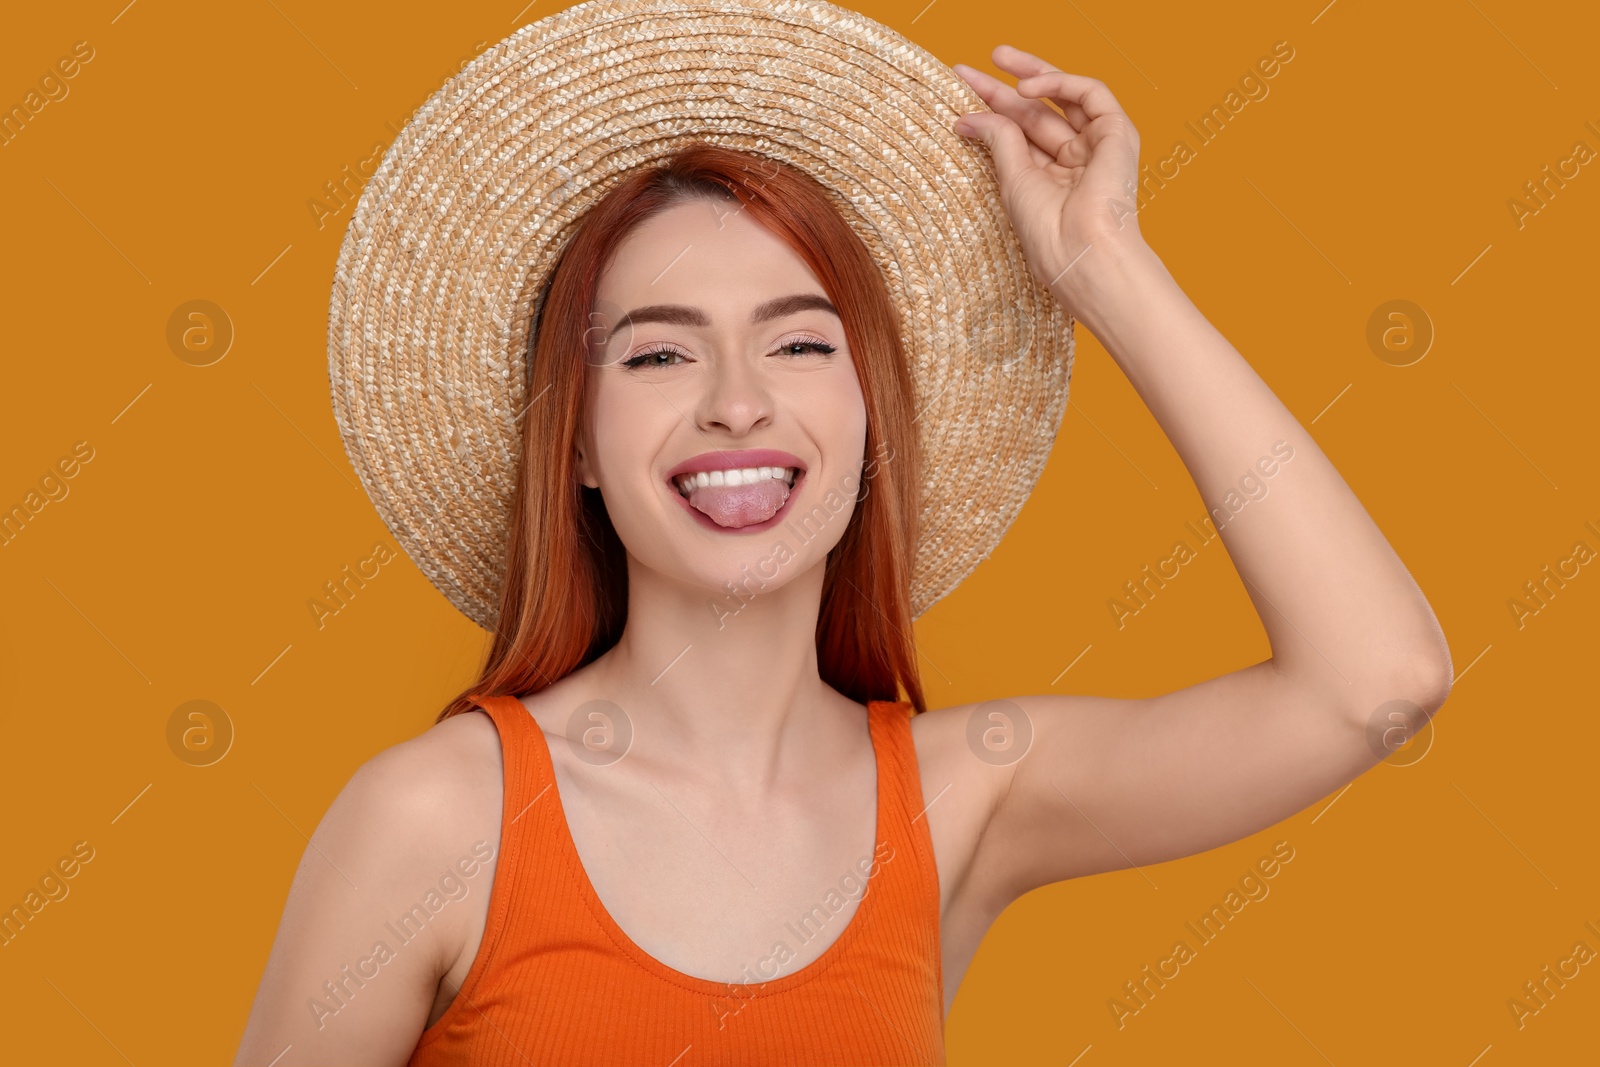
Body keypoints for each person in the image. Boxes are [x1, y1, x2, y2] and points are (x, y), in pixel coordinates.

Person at [234, 14, 1451, 1067]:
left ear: (871, 421)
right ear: (579, 447)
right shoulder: (438, 817)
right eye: (659, 352)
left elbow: (1375, 684)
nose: (737, 400)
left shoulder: (963, 797)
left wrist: (1103, 266)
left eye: (801, 342)